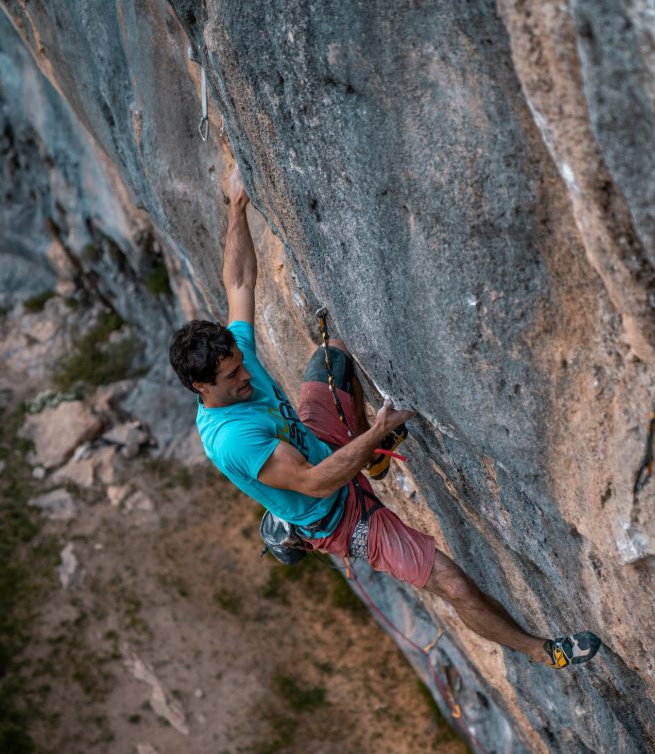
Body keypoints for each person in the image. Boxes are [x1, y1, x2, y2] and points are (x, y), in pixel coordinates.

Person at [169, 168, 601, 671]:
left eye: (241, 365)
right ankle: (544, 650)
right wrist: (376, 432)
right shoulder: (233, 439)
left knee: (333, 355)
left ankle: (370, 460)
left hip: (318, 442)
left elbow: (240, 279)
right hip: (339, 516)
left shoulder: (229, 358)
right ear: (202, 387)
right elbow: (313, 482)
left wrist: (237, 207)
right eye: (232, 376)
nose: (246, 372)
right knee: (452, 582)